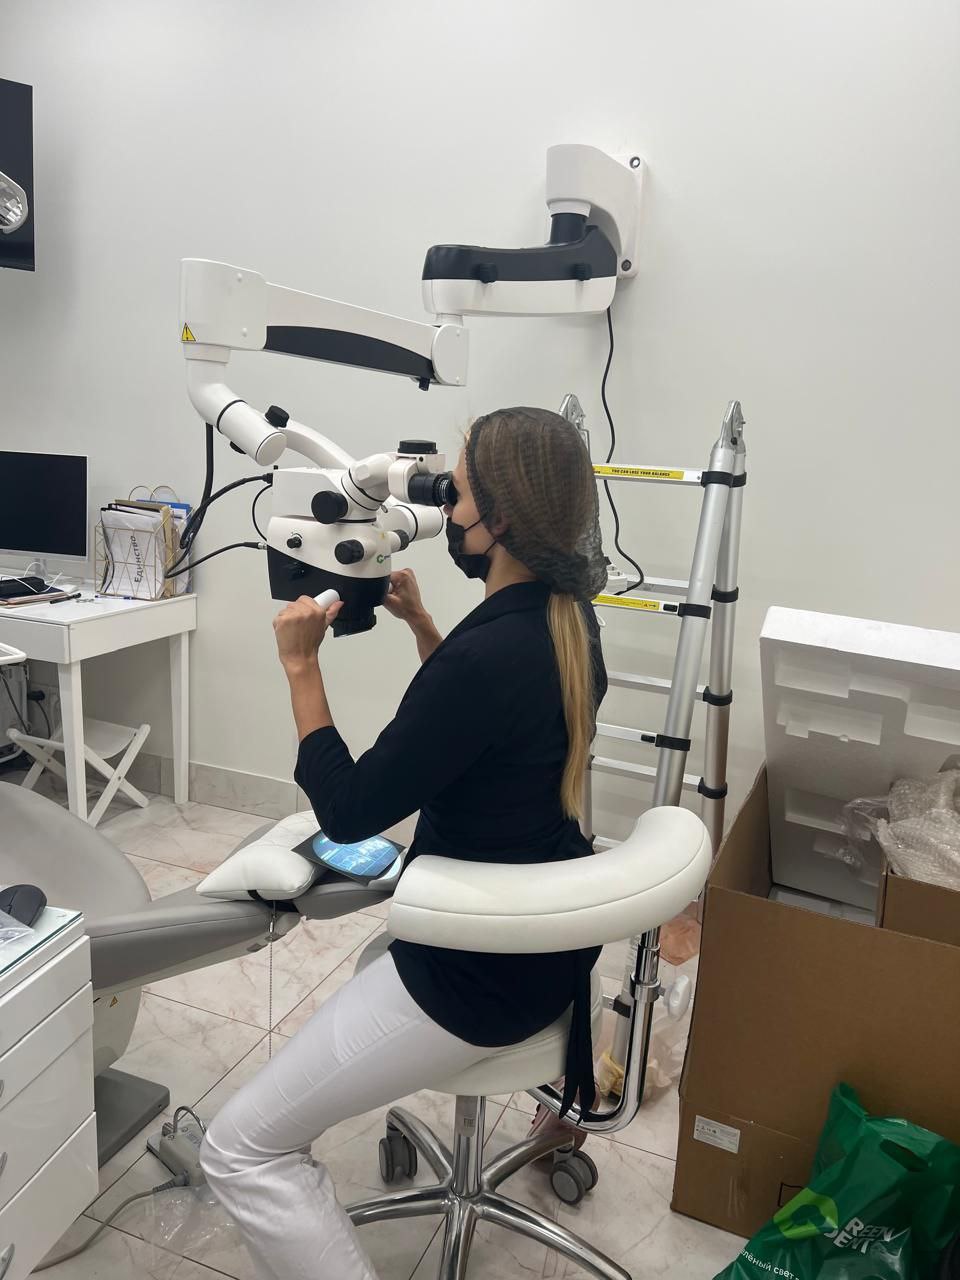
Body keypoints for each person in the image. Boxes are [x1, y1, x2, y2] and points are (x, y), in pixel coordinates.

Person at [199, 406, 609, 1280]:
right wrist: (428, 630)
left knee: (239, 1150)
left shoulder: (484, 660)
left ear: (501, 519)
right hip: (546, 950)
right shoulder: (570, 622)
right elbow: (491, 734)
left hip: (471, 977)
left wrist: (301, 667)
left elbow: (349, 810)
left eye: (454, 493)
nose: (444, 508)